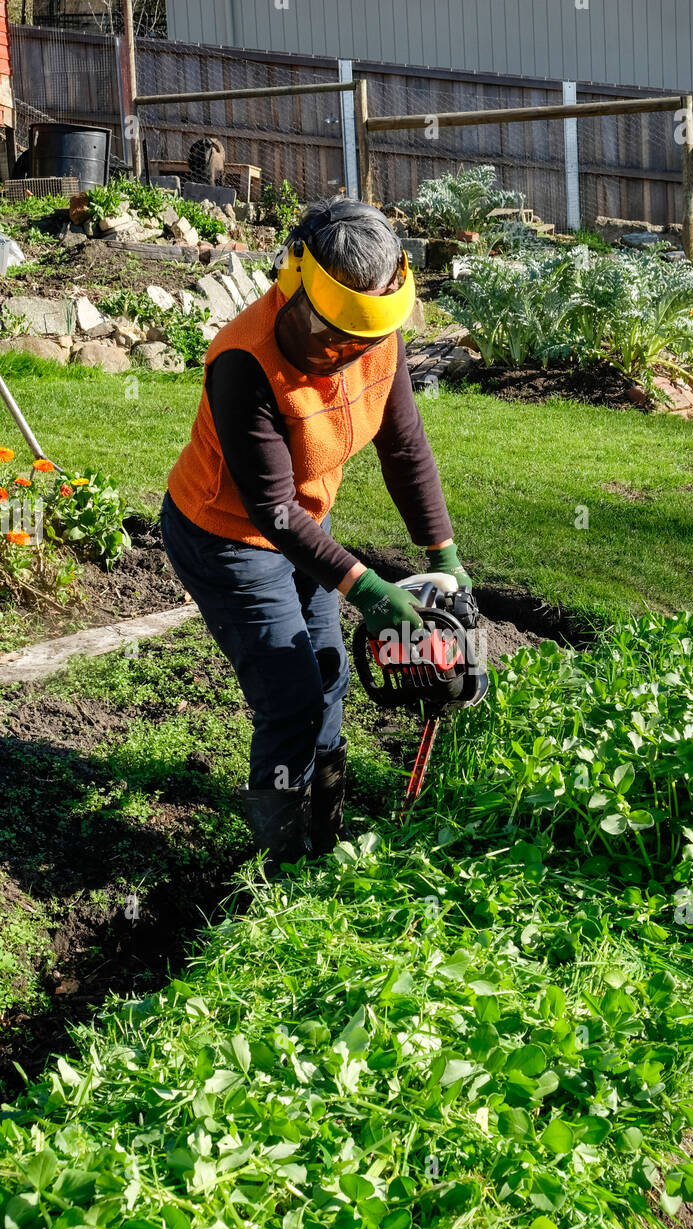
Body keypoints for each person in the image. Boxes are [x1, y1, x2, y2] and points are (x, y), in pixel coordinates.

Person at [160, 196, 471, 868]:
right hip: (228, 538)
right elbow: (271, 509)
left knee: (329, 674)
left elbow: (404, 445)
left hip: (305, 524)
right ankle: (283, 861)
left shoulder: (370, 337)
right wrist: (366, 587)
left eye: (362, 341)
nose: (346, 355)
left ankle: (324, 829)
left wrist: (442, 552)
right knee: (290, 697)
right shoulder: (244, 361)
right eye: (334, 336)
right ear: (291, 282)